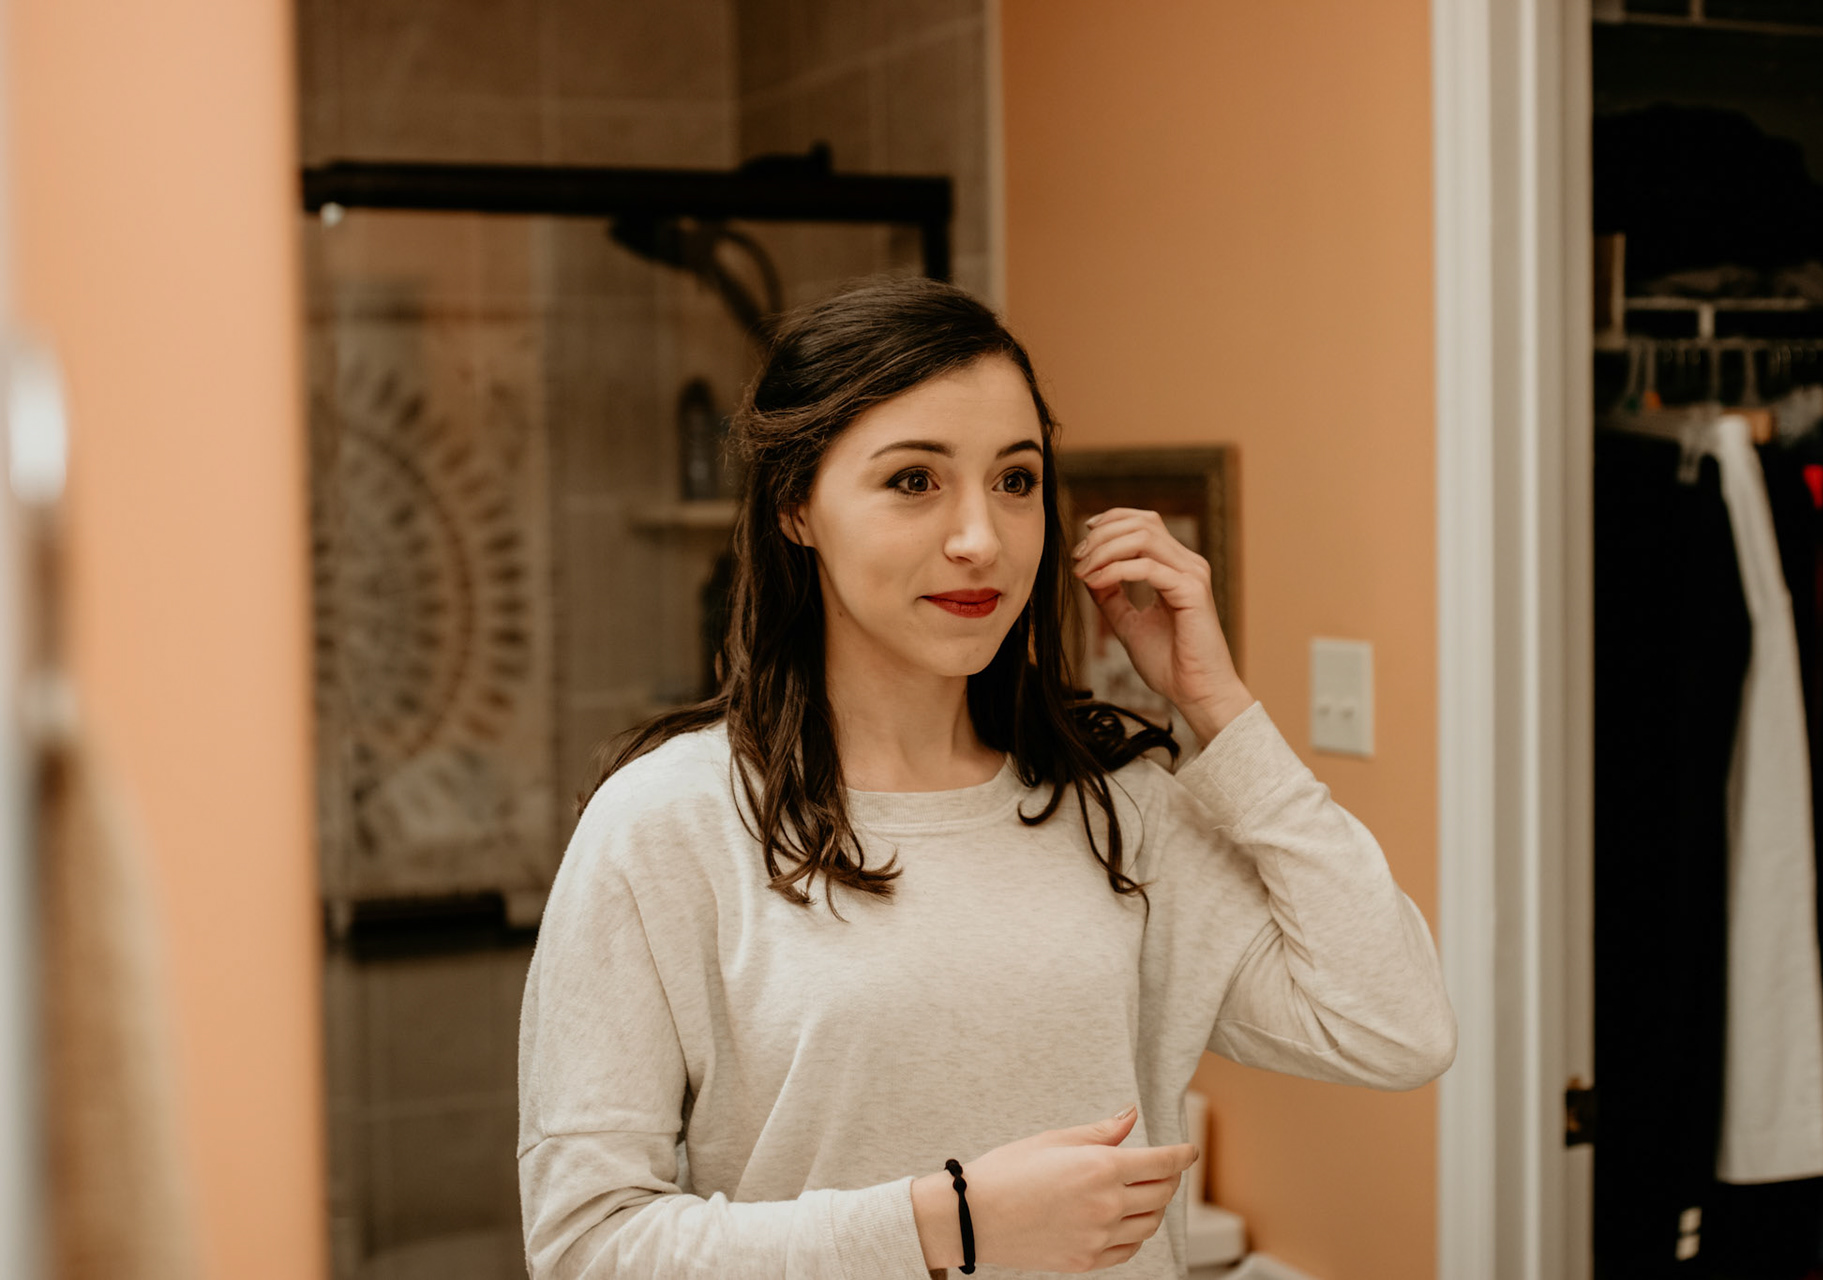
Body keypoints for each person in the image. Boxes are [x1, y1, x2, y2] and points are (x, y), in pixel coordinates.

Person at [516, 275, 1456, 1279]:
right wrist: (945, 1223)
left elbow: (1395, 1027)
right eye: (913, 480)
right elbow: (587, 1247)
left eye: (1015, 480)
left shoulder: (1119, 809)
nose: (982, 539)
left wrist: (1219, 708)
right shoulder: (667, 823)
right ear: (796, 504)